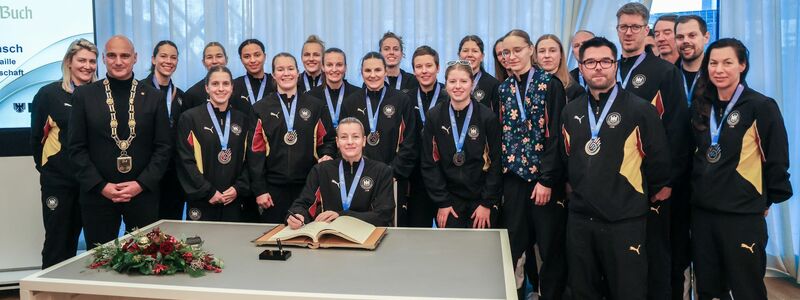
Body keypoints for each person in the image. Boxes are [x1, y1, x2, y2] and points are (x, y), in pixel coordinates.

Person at [561, 36, 671, 300]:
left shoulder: (640, 110)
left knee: (627, 291)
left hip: (624, 221)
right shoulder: (571, 110)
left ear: (616, 65)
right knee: (582, 290)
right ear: (581, 66)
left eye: (605, 61)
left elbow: (658, 163)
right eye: (590, 62)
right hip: (580, 220)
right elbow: (567, 159)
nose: (598, 67)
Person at [689, 38, 792, 300]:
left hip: (742, 215)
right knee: (709, 288)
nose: (719, 69)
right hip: (703, 214)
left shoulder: (761, 106)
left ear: (742, 65)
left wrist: (766, 198)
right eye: (713, 63)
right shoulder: (702, 106)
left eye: (727, 63)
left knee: (747, 289)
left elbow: (777, 158)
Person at [616, 4, 692, 298]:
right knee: (623, 253)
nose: (629, 33)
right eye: (624, 27)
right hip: (616, 181)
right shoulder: (609, 69)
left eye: (635, 27)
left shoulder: (664, 72)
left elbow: (676, 131)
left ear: (646, 30)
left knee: (656, 252)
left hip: (652, 182)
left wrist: (667, 182)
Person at [68, 35, 172, 248]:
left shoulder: (154, 97)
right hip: (98, 196)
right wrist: (101, 186)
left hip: (143, 195)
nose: (118, 61)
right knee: (99, 262)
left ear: (135, 58)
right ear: (104, 59)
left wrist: (140, 184)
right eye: (112, 56)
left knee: (147, 258)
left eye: (124, 56)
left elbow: (163, 147)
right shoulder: (84, 96)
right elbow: (76, 148)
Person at [498, 29, 567, 300]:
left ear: (530, 50)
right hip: (513, 179)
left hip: (542, 181)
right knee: (513, 244)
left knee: (548, 246)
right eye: (506, 52)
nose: (511, 56)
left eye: (517, 50)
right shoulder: (503, 89)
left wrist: (547, 180)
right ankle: (514, 293)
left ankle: (548, 294)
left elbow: (556, 136)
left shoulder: (549, 84)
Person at [31, 38, 97, 268]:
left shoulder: (99, 96)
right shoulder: (48, 95)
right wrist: (53, 172)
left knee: (96, 248)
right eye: (81, 60)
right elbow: (36, 141)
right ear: (69, 62)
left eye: (92, 61)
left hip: (91, 185)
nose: (87, 66)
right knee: (58, 244)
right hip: (59, 185)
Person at [249, 53, 336, 223]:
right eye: (280, 69)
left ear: (298, 72)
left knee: (306, 239)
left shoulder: (315, 106)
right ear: (273, 74)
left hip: (308, 188)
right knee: (274, 239)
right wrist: (260, 190)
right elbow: (255, 153)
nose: (286, 73)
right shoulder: (260, 108)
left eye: (290, 68)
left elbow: (328, 141)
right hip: (273, 191)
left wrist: (327, 154)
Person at [420, 60, 501, 229]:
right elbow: (429, 163)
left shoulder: (487, 118)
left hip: (481, 200)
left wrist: (487, 203)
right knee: (452, 251)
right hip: (449, 200)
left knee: (479, 251)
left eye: (463, 81)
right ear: (446, 84)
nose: (458, 86)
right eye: (452, 81)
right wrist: (442, 201)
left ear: (472, 84)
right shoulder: (434, 116)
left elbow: (496, 163)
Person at [341, 52, 418, 226]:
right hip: (360, 178)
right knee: (361, 228)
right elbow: (345, 141)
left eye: (377, 70)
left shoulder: (401, 100)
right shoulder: (350, 102)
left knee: (393, 229)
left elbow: (410, 143)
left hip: (393, 179)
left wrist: (390, 173)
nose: (373, 74)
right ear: (361, 73)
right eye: (368, 70)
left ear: (385, 72)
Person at [287, 117, 395, 227]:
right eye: (344, 137)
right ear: (337, 142)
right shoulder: (321, 170)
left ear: (363, 141)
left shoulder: (382, 171)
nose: (350, 142)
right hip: (329, 237)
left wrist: (341, 216)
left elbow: (384, 215)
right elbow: (303, 203)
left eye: (355, 137)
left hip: (368, 237)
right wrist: (298, 215)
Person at [176, 66, 250, 222]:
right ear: (206, 88)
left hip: (233, 199)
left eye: (225, 84)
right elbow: (185, 161)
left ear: (232, 88)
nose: (221, 89)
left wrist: (238, 188)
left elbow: (250, 160)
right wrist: (207, 191)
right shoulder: (190, 118)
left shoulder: (242, 119)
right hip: (202, 199)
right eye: (215, 84)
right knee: (202, 245)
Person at [672, 14, 710, 299]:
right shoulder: (666, 74)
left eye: (692, 35)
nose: (686, 41)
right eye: (681, 36)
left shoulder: (719, 76)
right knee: (677, 252)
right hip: (675, 177)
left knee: (709, 255)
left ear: (705, 37)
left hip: (709, 177)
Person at [143, 40, 188, 221]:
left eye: (173, 57)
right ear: (153, 59)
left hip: (173, 175)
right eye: (163, 56)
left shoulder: (181, 97)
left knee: (172, 227)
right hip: (146, 172)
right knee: (145, 230)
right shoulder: (138, 91)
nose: (168, 61)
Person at [404, 45, 449, 227]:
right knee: (417, 234)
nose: (424, 71)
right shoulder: (405, 98)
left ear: (438, 68)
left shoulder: (449, 95)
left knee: (448, 235)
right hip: (416, 178)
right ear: (414, 70)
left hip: (445, 176)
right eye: (419, 67)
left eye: (429, 66)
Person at [307, 48, 362, 129]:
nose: (334, 69)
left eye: (339, 65)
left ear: (345, 67)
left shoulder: (358, 95)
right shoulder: (311, 97)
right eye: (329, 65)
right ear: (322, 67)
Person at [535, 34, 585, 101]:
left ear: (561, 54)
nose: (547, 55)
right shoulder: (529, 85)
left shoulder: (575, 90)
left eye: (552, 50)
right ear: (536, 56)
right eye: (542, 51)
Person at [232, 39, 275, 115]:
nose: (252, 60)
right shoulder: (234, 86)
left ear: (264, 57)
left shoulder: (275, 82)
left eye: (257, 55)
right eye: (247, 56)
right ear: (241, 60)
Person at [459, 35, 500, 111]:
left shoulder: (493, 84)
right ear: (459, 55)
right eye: (465, 50)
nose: (469, 55)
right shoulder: (452, 82)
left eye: (475, 51)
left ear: (482, 57)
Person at [184, 42, 228, 109]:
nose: (214, 61)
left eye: (219, 56)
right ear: (203, 62)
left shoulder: (237, 90)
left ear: (226, 60)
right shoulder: (192, 94)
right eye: (209, 57)